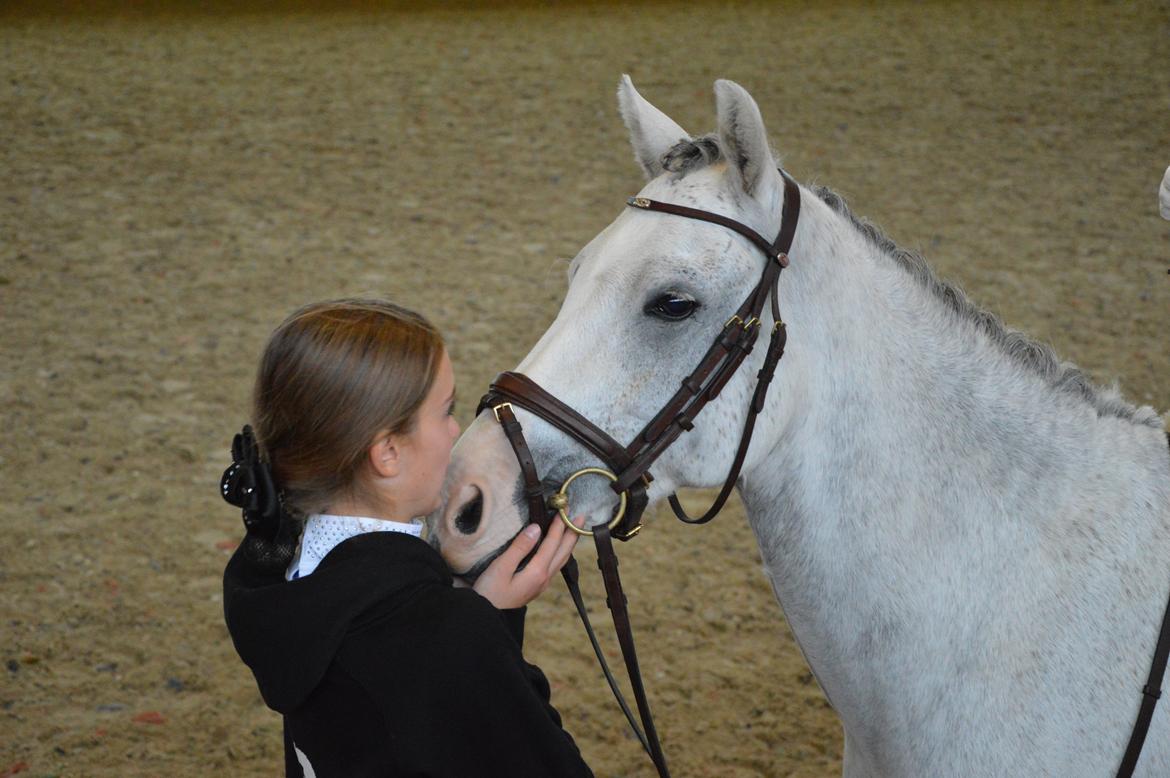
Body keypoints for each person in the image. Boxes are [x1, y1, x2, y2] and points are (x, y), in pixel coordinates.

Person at [219, 298, 592, 777]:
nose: (458, 430)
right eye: (446, 411)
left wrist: (479, 620)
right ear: (388, 453)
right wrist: (487, 628)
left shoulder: (284, 579)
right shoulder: (448, 635)